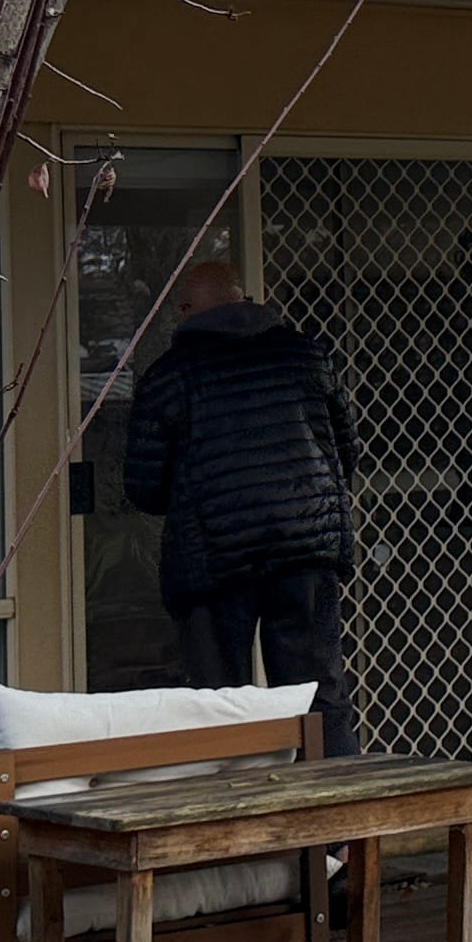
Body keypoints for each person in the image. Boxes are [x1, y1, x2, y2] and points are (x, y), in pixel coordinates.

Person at [116, 259, 360, 754]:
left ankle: (239, 822)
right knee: (317, 690)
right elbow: (346, 452)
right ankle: (334, 825)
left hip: (212, 560)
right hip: (303, 550)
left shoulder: (169, 376)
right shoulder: (305, 356)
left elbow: (144, 487)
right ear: (244, 300)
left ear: (186, 311)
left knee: (222, 701)